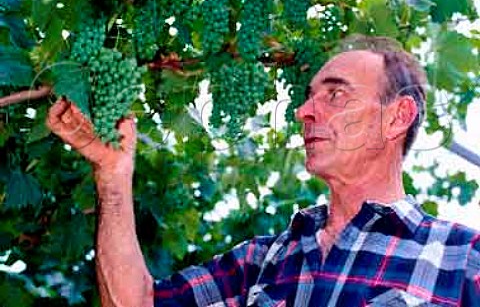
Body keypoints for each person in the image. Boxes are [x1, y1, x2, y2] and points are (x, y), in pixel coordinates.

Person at [46, 35, 480, 306]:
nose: (304, 111)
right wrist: (113, 175)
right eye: (309, 97)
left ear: (397, 116)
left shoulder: (464, 259)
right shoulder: (262, 260)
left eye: (335, 96)